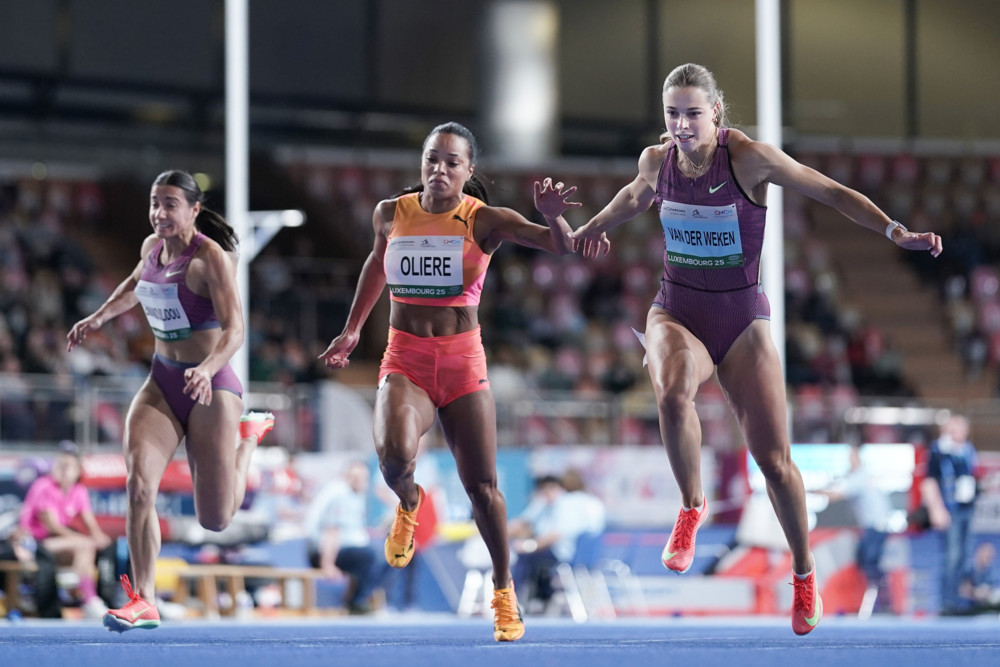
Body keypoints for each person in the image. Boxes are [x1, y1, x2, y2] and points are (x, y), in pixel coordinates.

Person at [568, 63, 943, 636]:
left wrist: (896, 232)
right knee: (671, 394)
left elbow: (831, 191)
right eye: (672, 114)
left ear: (716, 112)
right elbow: (631, 196)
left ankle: (803, 572)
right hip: (678, 309)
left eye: (693, 113)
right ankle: (692, 508)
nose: (682, 125)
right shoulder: (656, 161)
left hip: (742, 320)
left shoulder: (748, 159)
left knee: (774, 463)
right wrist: (588, 228)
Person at [319, 121, 579, 641]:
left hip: (462, 364)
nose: (439, 169)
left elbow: (560, 247)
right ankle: (409, 503)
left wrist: (554, 220)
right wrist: (351, 330)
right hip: (405, 359)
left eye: (451, 162)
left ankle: (504, 593)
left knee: (482, 488)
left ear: (468, 171)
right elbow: (376, 264)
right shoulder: (391, 213)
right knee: (393, 457)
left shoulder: (484, 220)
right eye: (431, 159)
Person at [66, 169, 275, 632]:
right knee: (139, 486)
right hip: (162, 382)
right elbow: (134, 285)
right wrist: (98, 317)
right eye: (154, 203)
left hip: (211, 387)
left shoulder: (210, 259)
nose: (159, 213)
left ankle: (248, 440)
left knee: (216, 519)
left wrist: (205, 368)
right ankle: (145, 599)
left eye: (170, 204)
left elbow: (236, 330)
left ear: (194, 210)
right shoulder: (150, 248)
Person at [17, 442, 112, 618]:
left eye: (67, 466)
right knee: (85, 546)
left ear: (77, 471)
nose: (62, 470)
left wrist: (99, 537)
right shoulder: (43, 485)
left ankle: (102, 596)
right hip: (35, 544)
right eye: (59, 465)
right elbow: (52, 527)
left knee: (96, 547)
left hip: (56, 544)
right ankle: (88, 599)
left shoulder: (79, 490)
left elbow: (89, 521)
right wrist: (84, 540)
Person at [818, 444, 894, 617]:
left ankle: (880, 604)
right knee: (866, 563)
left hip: (876, 526)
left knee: (869, 565)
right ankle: (879, 602)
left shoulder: (859, 477)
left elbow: (837, 494)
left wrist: (809, 492)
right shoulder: (860, 476)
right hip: (876, 525)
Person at [304, 460, 382, 614]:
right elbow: (331, 531)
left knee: (387, 555)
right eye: (354, 477)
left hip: (339, 549)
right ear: (346, 477)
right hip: (323, 551)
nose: (358, 481)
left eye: (362, 478)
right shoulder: (340, 494)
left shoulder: (355, 496)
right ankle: (356, 602)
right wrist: (327, 564)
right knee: (370, 555)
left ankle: (358, 598)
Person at [920, 413, 979, 615]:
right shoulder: (939, 449)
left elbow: (969, 478)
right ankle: (948, 602)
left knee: (964, 556)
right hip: (950, 508)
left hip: (966, 508)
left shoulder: (968, 450)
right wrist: (937, 509)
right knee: (951, 556)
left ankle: (960, 599)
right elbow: (930, 480)